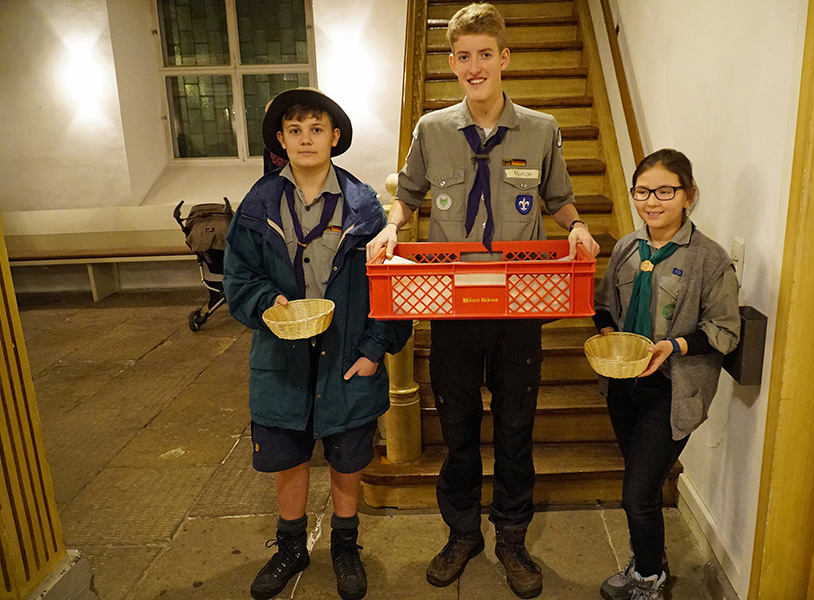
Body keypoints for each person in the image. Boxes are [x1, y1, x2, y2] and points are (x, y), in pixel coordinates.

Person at [366, 4, 600, 598]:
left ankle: (512, 538)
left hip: (519, 304)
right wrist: (391, 227)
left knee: (517, 426)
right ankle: (463, 532)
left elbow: (559, 199)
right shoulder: (432, 129)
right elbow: (408, 196)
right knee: (458, 425)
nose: (475, 67)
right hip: (452, 303)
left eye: (485, 55)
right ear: (452, 63)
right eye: (464, 57)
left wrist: (576, 227)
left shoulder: (542, 129)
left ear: (504, 58)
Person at [224, 87, 412, 600]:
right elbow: (238, 277)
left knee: (348, 454)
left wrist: (374, 350)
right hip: (281, 353)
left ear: (334, 136)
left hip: (347, 355)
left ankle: (345, 546)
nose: (305, 139)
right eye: (295, 130)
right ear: (281, 141)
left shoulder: (364, 206)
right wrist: (268, 303)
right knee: (287, 449)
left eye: (316, 129)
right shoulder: (258, 204)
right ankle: (290, 547)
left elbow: (391, 290)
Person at [593, 148, 740, 600]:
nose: (651, 201)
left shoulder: (709, 259)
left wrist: (671, 346)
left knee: (637, 495)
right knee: (643, 485)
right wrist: (607, 334)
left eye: (664, 191)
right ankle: (648, 560)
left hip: (672, 391)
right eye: (642, 192)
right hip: (623, 384)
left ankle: (648, 580)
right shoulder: (626, 248)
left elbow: (725, 331)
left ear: (688, 196)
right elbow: (604, 306)